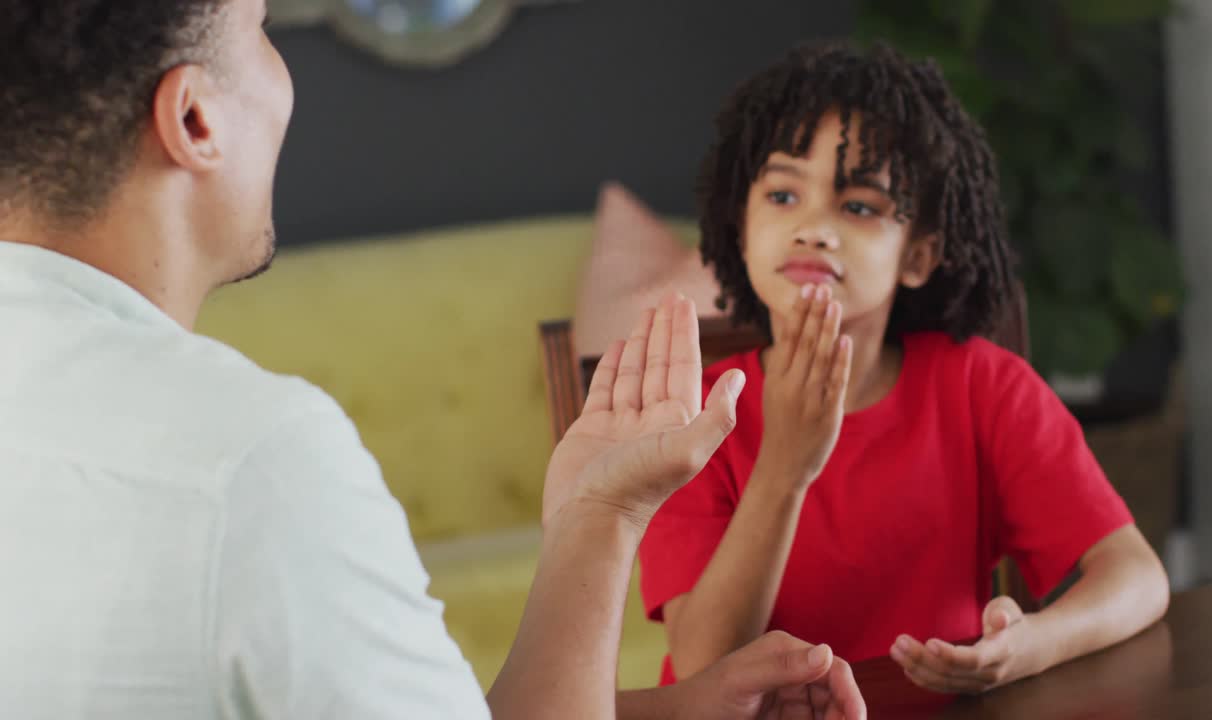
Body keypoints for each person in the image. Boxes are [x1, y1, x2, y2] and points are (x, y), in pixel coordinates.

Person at [0, 2, 866, 718]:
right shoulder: (254, 459)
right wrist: (605, 521)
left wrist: (668, 707)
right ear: (195, 120)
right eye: (261, 27)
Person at [637, 41, 1171, 695]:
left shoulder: (984, 388)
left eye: (858, 206)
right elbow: (701, 667)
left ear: (917, 256)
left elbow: (1138, 576)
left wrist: (1031, 645)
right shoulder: (690, 416)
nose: (813, 228)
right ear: (740, 228)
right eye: (782, 194)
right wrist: (785, 468)